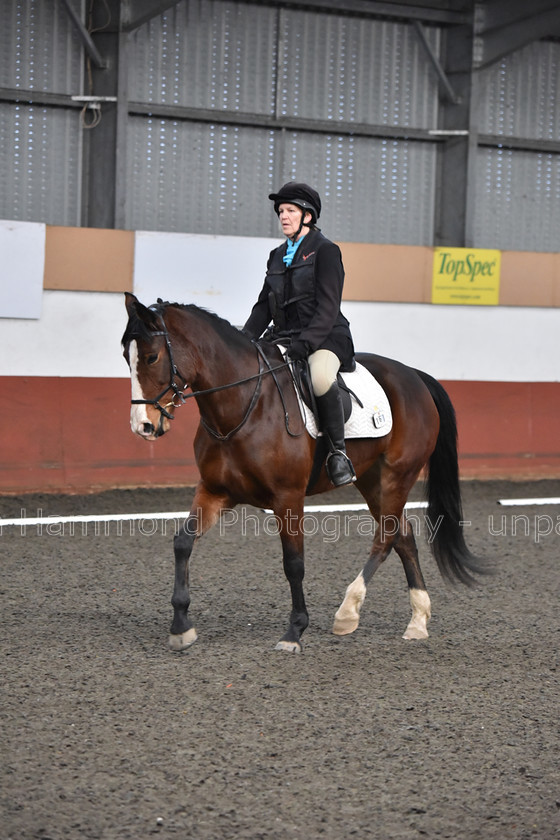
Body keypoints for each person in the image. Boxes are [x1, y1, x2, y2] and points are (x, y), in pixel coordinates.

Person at [243, 181, 356, 486]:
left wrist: (306, 343)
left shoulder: (326, 251)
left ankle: (338, 453)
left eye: (290, 210)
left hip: (326, 336)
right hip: (286, 336)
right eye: (281, 211)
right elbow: (263, 307)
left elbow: (329, 307)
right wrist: (243, 341)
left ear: (307, 215)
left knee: (320, 377)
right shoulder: (277, 256)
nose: (284, 216)